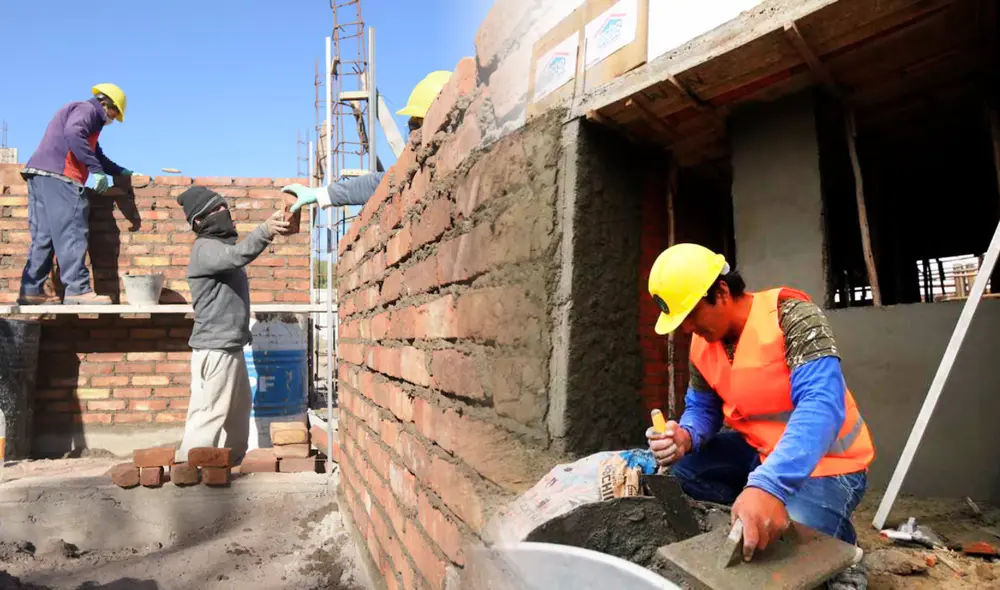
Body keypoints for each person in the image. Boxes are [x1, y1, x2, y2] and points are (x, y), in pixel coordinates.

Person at [645, 243, 875, 589]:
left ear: (721, 292)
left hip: (829, 463)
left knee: (786, 544)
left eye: (691, 315)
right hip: (760, 452)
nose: (688, 328)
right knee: (680, 476)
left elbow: (822, 405)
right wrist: (686, 436)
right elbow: (702, 408)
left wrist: (770, 486)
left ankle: (842, 550)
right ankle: (753, 513)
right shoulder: (702, 344)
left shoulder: (793, 317)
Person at [173, 187, 291, 466]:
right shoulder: (206, 248)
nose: (223, 213)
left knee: (238, 413)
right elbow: (238, 257)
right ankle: (190, 467)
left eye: (223, 207)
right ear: (199, 221)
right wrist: (265, 230)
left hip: (230, 346)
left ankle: (231, 461)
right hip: (215, 349)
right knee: (209, 412)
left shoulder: (218, 248)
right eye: (215, 210)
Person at [18, 83, 143, 305]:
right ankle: (78, 290)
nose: (113, 119)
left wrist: (120, 171)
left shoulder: (83, 115)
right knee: (72, 231)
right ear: (107, 104)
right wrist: (95, 171)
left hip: (40, 175)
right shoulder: (88, 111)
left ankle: (31, 290)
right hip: (61, 176)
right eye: (115, 113)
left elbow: (95, 153)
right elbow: (74, 135)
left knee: (43, 236)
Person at [280, 70, 452, 213]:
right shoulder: (419, 172)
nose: (414, 135)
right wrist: (319, 194)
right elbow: (377, 183)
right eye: (413, 127)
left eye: (417, 125)